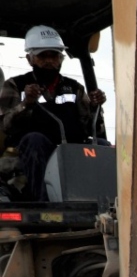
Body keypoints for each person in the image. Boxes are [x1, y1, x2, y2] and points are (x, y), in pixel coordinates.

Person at [0, 25, 107, 201]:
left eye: (54, 56)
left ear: (61, 59)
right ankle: (42, 205)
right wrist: (26, 104)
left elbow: (91, 129)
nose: (49, 61)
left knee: (102, 145)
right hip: (32, 151)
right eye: (43, 56)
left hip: (71, 151)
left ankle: (105, 202)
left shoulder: (74, 88)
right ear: (30, 59)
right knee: (35, 140)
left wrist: (95, 107)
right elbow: (5, 125)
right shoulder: (15, 85)